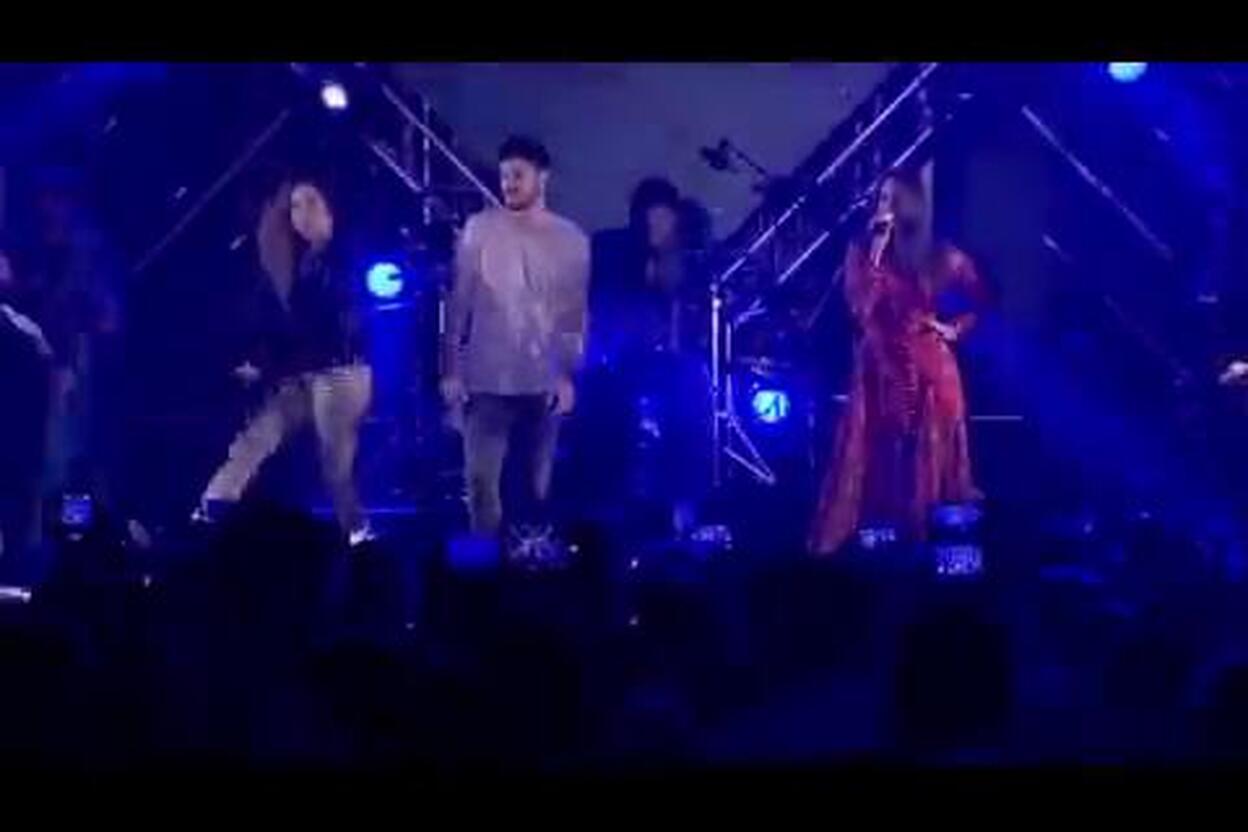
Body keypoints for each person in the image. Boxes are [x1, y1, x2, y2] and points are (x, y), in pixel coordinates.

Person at [809, 168, 989, 555]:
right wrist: (875, 253)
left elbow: (978, 296)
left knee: (926, 463)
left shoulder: (938, 255)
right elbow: (859, 308)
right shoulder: (862, 252)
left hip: (929, 369)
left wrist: (954, 328)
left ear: (911, 206)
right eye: (880, 198)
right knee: (880, 460)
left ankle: (927, 549)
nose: (883, 207)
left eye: (892, 199)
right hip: (879, 367)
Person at [193, 177, 375, 547]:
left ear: (329, 207)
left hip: (340, 374)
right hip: (301, 372)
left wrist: (269, 365)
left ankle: (357, 530)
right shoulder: (294, 262)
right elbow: (274, 320)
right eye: (294, 206)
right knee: (259, 433)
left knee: (334, 466)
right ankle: (214, 504)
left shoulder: (344, 256)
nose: (302, 214)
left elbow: (332, 325)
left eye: (310, 202)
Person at [441, 135, 590, 538]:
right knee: (480, 483)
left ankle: (528, 559)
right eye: (505, 175)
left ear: (543, 177)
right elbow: (458, 303)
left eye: (518, 175)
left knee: (535, 489)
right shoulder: (479, 229)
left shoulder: (570, 239)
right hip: (487, 378)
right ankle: (486, 559)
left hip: (542, 380)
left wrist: (567, 376)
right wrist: (451, 368)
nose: (508, 183)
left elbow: (574, 317)